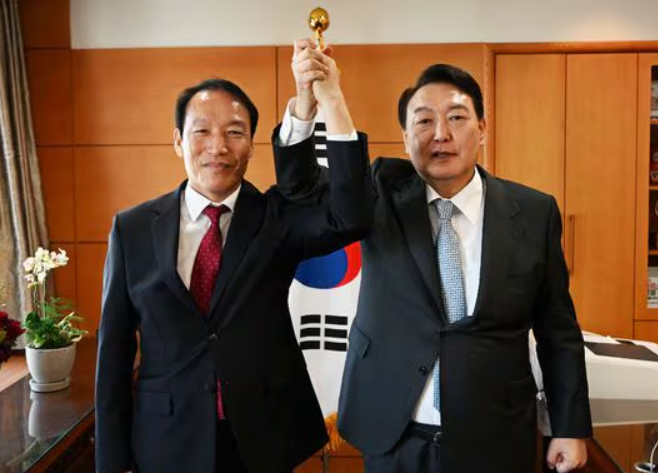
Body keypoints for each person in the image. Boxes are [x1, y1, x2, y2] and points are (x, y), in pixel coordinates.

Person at [278, 50, 592, 473]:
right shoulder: (378, 193)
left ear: (483, 128)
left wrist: (568, 426)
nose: (440, 134)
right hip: (393, 433)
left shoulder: (534, 212)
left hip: (496, 435)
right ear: (405, 136)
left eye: (457, 117)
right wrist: (314, 102)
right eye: (423, 121)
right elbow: (302, 191)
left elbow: (557, 330)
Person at [95, 51, 372, 473]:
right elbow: (114, 355)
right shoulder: (132, 228)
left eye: (235, 132)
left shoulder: (276, 219)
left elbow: (350, 216)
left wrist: (324, 100)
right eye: (202, 131)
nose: (218, 147)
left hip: (261, 438)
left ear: (253, 146)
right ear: (178, 141)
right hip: (167, 438)